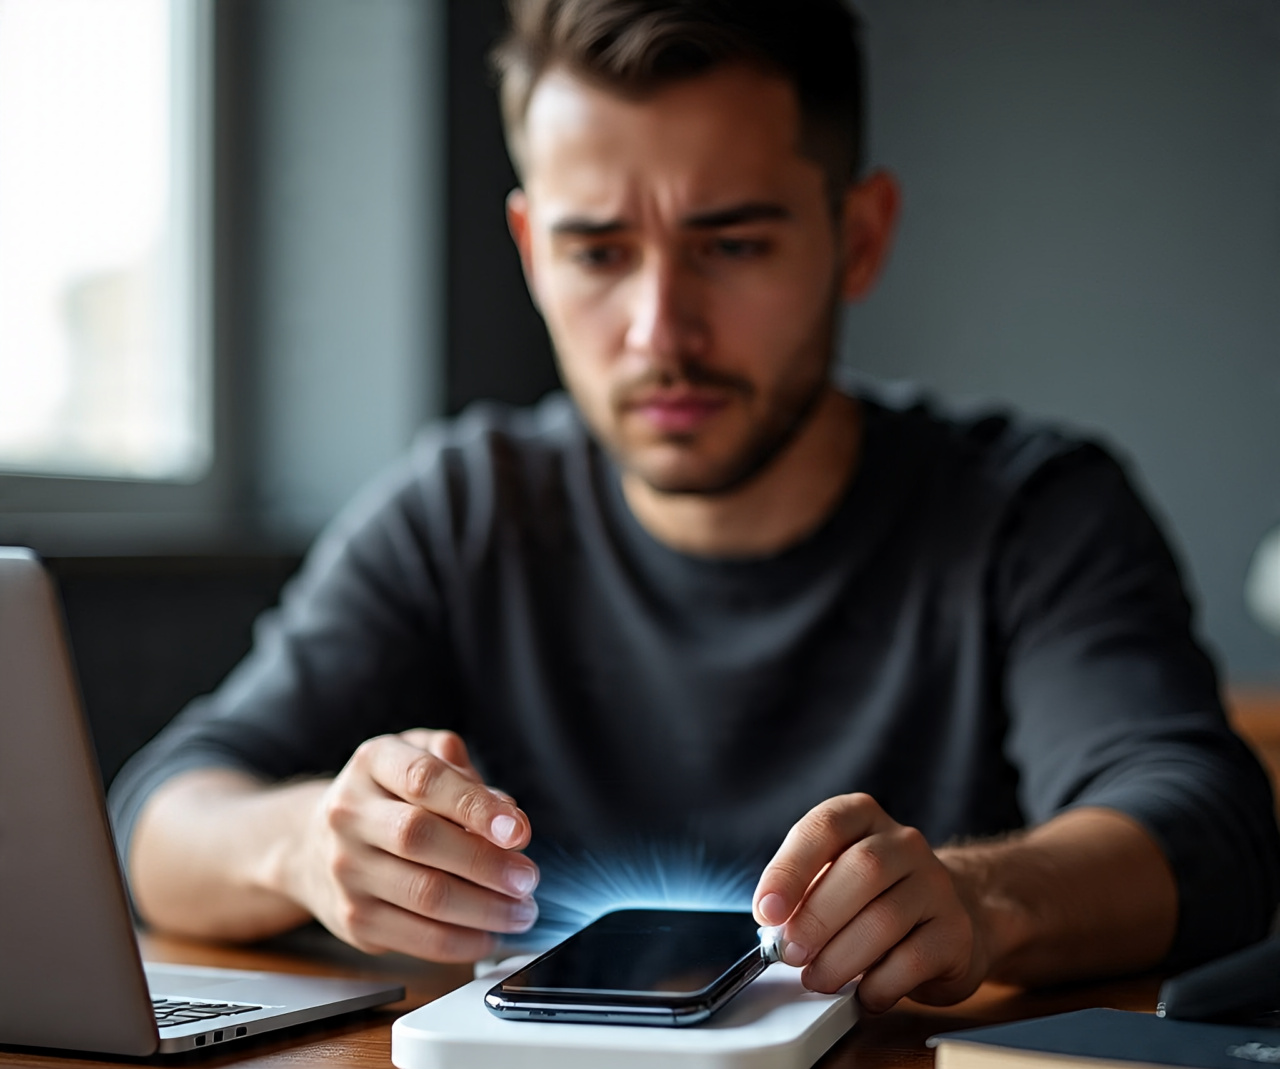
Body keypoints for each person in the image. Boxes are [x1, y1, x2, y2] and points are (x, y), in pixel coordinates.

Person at [111, 0, 1280, 1014]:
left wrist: (979, 898)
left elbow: (1203, 826)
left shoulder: (1031, 510)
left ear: (856, 237)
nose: (658, 330)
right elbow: (163, 814)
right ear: (529, 250)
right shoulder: (462, 505)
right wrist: (309, 842)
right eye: (598, 251)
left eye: (730, 243)